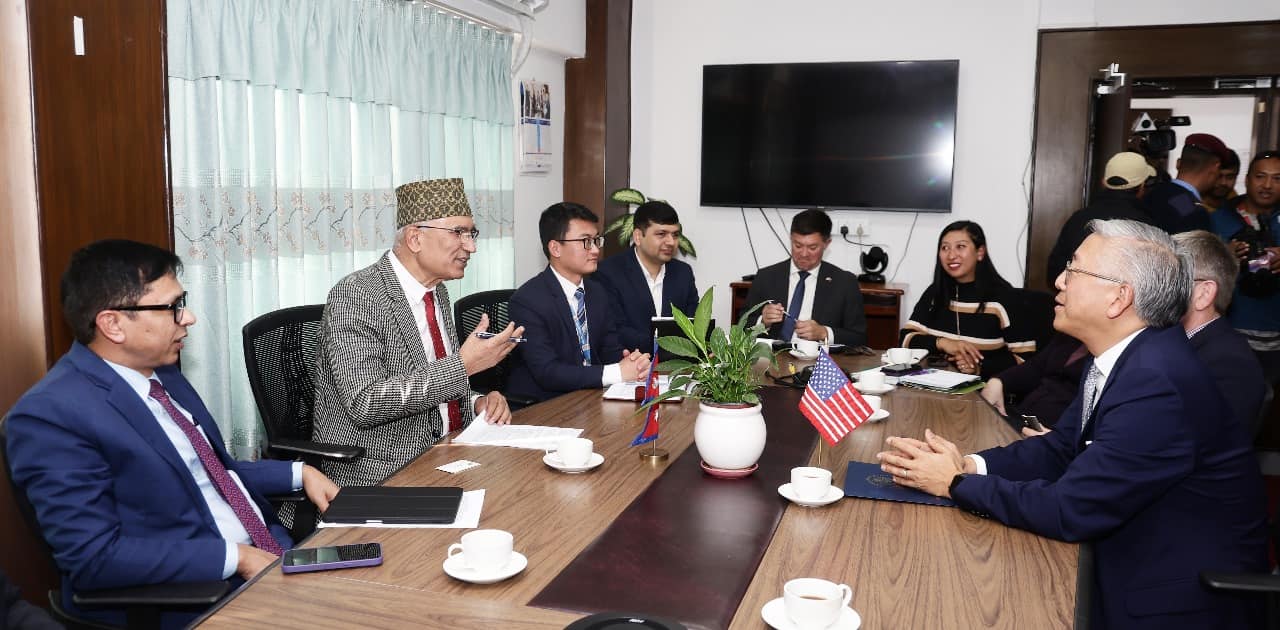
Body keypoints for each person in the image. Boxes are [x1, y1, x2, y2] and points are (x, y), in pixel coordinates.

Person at [878, 220, 1267, 629]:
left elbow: (1072, 509)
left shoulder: (1157, 381)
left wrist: (955, 484)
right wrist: (970, 465)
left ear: (1118, 298)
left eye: (1074, 270)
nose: (1059, 282)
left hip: (1167, 596)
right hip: (1124, 551)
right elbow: (1060, 448)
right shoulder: (1125, 356)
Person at [5, 240, 340, 628]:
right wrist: (237, 558)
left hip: (270, 554)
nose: (189, 318)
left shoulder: (162, 374)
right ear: (112, 324)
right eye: (172, 307)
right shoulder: (51, 415)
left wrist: (300, 473)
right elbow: (94, 557)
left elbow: (209, 471)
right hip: (197, 598)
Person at [312, 178, 522, 487]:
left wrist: (476, 402)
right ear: (415, 238)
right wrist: (463, 366)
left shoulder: (436, 291)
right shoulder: (357, 295)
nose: (471, 246)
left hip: (449, 452)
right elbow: (365, 402)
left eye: (471, 234)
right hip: (382, 471)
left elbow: (430, 380)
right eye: (459, 233)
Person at [506, 202, 651, 403]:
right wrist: (617, 372)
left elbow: (610, 350)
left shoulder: (597, 292)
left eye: (596, 240)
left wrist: (632, 363)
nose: (595, 250)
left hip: (590, 397)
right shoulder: (527, 301)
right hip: (545, 405)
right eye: (586, 241)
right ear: (555, 248)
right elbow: (547, 372)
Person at [900, 221, 1046, 378]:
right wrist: (943, 343)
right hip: (931, 383)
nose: (951, 255)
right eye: (945, 248)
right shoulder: (935, 293)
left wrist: (979, 368)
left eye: (960, 246)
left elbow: (1026, 361)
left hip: (983, 389)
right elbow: (905, 339)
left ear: (980, 252)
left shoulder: (1004, 299)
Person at [1173, 230, 1268, 437]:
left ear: (1204, 293)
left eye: (1169, 279)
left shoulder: (1228, 362)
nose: (1155, 287)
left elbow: (1207, 445)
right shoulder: (1176, 341)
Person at [743, 209, 867, 347]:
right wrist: (762, 322)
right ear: (791, 239)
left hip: (817, 358)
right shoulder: (766, 277)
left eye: (812, 247)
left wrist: (824, 333)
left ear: (827, 243)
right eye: (798, 246)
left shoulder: (844, 283)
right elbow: (741, 329)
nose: (804, 254)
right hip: (772, 356)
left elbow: (859, 338)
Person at [1210, 151, 1280, 389]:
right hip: (1229, 333)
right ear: (1247, 180)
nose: (1267, 185)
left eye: (1277, 178)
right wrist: (1224, 255)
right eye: (1260, 176)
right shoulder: (1219, 219)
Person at [595, 200, 699, 351]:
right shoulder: (608, 272)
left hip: (678, 362)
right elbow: (614, 329)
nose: (671, 242)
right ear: (638, 237)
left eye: (675, 235)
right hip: (629, 360)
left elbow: (695, 324)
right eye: (661, 234)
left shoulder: (683, 273)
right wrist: (665, 346)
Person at [1046, 151, 1156, 281]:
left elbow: (1054, 272)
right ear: (1142, 186)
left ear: (1104, 182)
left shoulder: (1078, 218)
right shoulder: (1147, 226)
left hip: (1077, 292)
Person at [979, 332, 1087, 431]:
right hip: (1023, 420)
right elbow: (1037, 367)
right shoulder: (1069, 336)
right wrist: (998, 381)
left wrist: (1063, 440)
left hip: (1052, 435)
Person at [1142, 132, 1229, 234]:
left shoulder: (1152, 193)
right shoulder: (1194, 212)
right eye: (1220, 172)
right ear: (1215, 167)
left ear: (1179, 163)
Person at [1204, 148, 1241, 212]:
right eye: (1218, 176)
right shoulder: (1188, 204)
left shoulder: (1238, 204)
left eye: (1230, 177)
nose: (1223, 183)